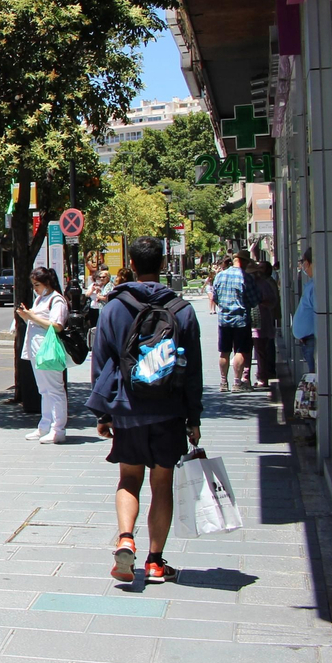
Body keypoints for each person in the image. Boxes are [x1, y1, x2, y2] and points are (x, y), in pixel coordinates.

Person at [88, 237, 203, 583]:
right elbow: (194, 369)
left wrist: (103, 413)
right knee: (162, 483)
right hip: (169, 409)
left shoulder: (114, 307)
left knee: (129, 478)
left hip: (127, 408)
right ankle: (155, 561)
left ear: (132, 265)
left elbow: (101, 361)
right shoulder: (182, 309)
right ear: (163, 261)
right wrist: (193, 417)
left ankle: (125, 539)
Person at [15, 267, 70, 444]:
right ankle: (45, 425)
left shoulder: (57, 300)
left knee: (54, 389)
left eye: (37, 285)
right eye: (33, 285)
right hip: (37, 349)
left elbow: (57, 325)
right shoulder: (41, 299)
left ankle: (58, 428)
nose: (35, 288)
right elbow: (36, 321)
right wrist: (26, 316)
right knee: (44, 390)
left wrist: (32, 316)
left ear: (47, 283)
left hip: (49, 350)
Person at [208, 251, 259, 392]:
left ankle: (223, 382)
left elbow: (215, 297)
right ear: (245, 262)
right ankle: (237, 382)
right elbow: (254, 300)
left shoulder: (220, 276)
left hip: (224, 319)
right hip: (241, 319)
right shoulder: (246, 278)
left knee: (224, 351)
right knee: (241, 351)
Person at [251, 260, 280, 386]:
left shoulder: (267, 283)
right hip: (255, 321)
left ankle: (266, 373)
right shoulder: (253, 283)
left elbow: (273, 301)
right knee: (259, 348)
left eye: (262, 268)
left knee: (265, 347)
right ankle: (261, 374)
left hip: (264, 320)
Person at [293, 247, 317, 373]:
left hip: (314, 340)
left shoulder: (317, 286)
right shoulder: (314, 284)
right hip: (310, 340)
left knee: (317, 376)